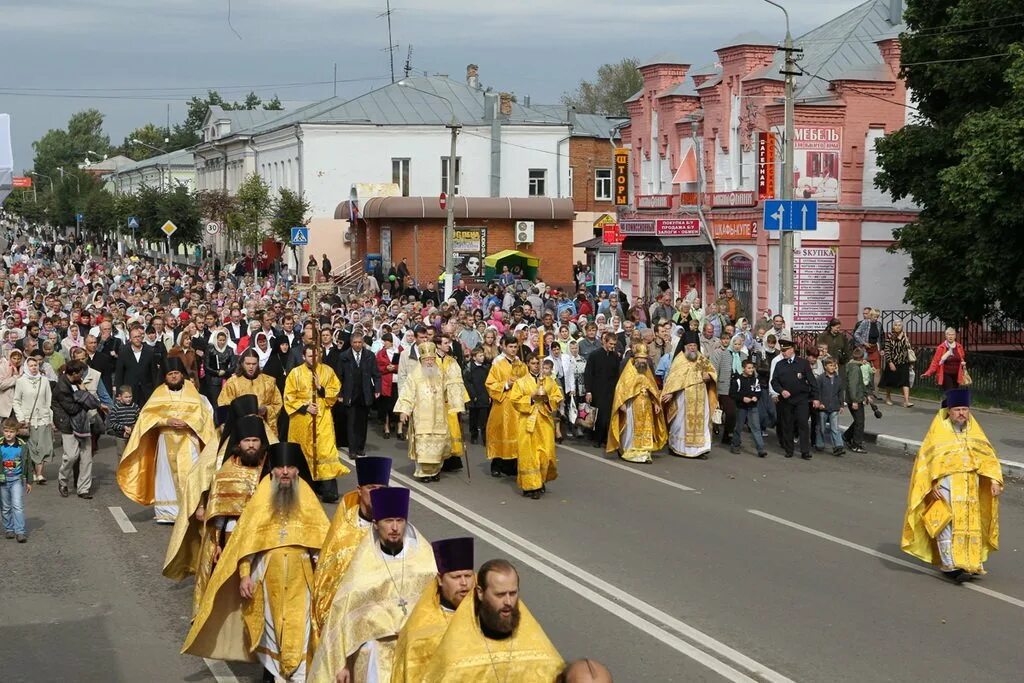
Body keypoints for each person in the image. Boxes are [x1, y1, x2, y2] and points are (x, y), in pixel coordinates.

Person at [182, 442, 329, 683]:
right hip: (266, 578)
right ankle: (274, 676)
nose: (284, 472)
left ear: (297, 471)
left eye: (289, 467)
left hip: (301, 582)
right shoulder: (262, 496)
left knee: (300, 634)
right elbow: (247, 542)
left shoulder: (308, 498)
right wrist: (244, 576)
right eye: (279, 467)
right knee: (271, 635)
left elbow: (321, 546)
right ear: (271, 471)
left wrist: (323, 579)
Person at [309, 487, 437, 683]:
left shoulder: (425, 563)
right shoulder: (363, 567)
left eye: (399, 521)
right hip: (375, 658)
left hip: (416, 653)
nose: (394, 528)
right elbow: (343, 617)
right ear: (376, 525)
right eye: (388, 521)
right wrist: (341, 663)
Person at [901, 390, 1004, 582]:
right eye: (958, 409)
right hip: (946, 487)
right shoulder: (939, 431)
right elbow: (927, 461)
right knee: (945, 523)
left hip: (970, 486)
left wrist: (994, 480)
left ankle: (970, 562)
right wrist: (931, 486)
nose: (962, 413)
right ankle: (949, 564)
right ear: (949, 411)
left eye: (965, 409)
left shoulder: (974, 430)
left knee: (970, 524)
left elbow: (988, 456)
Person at [422, 559, 563, 682]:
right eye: (500, 594)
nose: (508, 602)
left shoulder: (541, 652)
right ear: (480, 593)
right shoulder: (456, 656)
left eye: (513, 593)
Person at [116, 356, 219, 523]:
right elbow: (146, 417)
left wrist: (188, 422)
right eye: (170, 373)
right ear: (164, 376)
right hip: (166, 440)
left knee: (192, 473)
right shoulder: (159, 393)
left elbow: (205, 415)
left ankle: (191, 508)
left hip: (189, 439)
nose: (173, 376)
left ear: (182, 374)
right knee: (166, 476)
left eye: (176, 373)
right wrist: (166, 421)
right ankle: (168, 512)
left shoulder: (192, 391)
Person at [189, 415, 267, 617]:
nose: (251, 446)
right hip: (233, 534)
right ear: (239, 444)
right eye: (247, 441)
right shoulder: (226, 473)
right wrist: (216, 543)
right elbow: (218, 514)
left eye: (255, 441)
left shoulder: (269, 471)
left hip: (263, 535)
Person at [312, 456, 392, 634]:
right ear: (359, 490)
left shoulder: (395, 528)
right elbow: (329, 573)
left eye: (382, 489)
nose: (377, 493)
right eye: (371, 488)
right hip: (347, 615)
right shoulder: (345, 530)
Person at [391, 537, 476, 683]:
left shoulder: (487, 615)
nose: (464, 583)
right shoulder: (420, 628)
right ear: (440, 580)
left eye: (468, 576)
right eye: (456, 577)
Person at [284, 345, 347, 503]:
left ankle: (328, 490)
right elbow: (289, 396)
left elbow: (335, 390)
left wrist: (321, 388)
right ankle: (307, 488)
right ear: (304, 356)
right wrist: (305, 406)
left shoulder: (327, 371)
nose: (313, 358)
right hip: (302, 420)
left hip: (322, 418)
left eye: (316, 355)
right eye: (310, 356)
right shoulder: (295, 373)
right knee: (304, 453)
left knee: (325, 452)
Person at [395, 342, 466, 483]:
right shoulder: (414, 375)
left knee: (438, 445)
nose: (429, 362)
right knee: (423, 446)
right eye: (427, 359)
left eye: (432, 359)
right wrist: (404, 410)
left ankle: (435, 471)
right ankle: (423, 473)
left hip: (439, 416)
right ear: (421, 359)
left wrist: (456, 402)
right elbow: (407, 393)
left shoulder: (440, 373)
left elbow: (451, 388)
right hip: (422, 418)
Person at [510, 355, 563, 499]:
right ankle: (530, 486)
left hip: (544, 422)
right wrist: (531, 398)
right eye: (532, 363)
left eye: (537, 363)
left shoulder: (549, 382)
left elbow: (557, 397)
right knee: (529, 455)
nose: (535, 366)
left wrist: (547, 399)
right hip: (527, 422)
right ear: (527, 364)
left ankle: (540, 481)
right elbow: (514, 400)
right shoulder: (521, 382)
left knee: (545, 453)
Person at [606, 344, 667, 464]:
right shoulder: (628, 371)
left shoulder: (647, 371)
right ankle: (629, 451)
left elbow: (653, 389)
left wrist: (655, 403)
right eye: (641, 358)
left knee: (646, 429)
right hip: (631, 405)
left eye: (645, 359)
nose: (643, 361)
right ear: (635, 358)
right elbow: (621, 388)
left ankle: (644, 452)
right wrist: (621, 403)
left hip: (646, 405)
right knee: (631, 429)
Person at [661, 332, 718, 459]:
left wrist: (709, 376)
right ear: (685, 346)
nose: (692, 348)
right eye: (690, 345)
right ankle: (677, 447)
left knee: (701, 423)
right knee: (680, 423)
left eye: (694, 345)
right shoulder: (679, 359)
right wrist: (670, 392)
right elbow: (673, 379)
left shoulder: (701, 358)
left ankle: (700, 450)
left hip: (701, 398)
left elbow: (712, 371)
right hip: (683, 397)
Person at [52, 360, 102, 499]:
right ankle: (63, 480)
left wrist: (83, 391)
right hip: (68, 424)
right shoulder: (62, 388)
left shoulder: (77, 383)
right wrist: (86, 402)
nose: (83, 376)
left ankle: (83, 489)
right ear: (73, 373)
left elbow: (88, 399)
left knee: (86, 456)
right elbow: (72, 409)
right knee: (71, 456)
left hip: (83, 422)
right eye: (81, 373)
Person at [218, 348, 283, 442]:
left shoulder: (269, 382)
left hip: (264, 429)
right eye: (248, 364)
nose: (251, 367)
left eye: (254, 364)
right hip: (240, 430)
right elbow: (223, 405)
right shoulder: (232, 383)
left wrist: (266, 409)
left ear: (258, 363)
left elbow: (278, 404)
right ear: (242, 364)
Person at [484, 336, 528, 477]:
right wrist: (507, 384)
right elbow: (490, 383)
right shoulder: (498, 363)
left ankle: (512, 465)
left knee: (516, 434)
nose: (513, 350)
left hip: (516, 405)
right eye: (511, 347)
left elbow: (527, 381)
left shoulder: (520, 364)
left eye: (515, 347)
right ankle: (496, 465)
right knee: (500, 432)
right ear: (504, 347)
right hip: (502, 404)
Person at [771, 340, 820, 460]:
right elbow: (774, 381)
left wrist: (815, 398)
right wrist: (781, 391)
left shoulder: (802, 363)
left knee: (803, 423)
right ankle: (789, 449)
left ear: (792, 350)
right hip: (786, 400)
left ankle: (805, 451)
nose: (783, 353)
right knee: (788, 424)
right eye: (782, 350)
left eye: (785, 350)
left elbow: (812, 381)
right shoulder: (780, 364)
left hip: (801, 399)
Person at [337, 332, 381, 457]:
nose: (357, 345)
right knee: (351, 423)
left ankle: (360, 447)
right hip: (349, 393)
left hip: (364, 393)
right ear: (351, 343)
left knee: (362, 423)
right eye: (355, 342)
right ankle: (352, 449)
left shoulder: (370, 356)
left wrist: (377, 389)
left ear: (363, 343)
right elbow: (339, 377)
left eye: (359, 342)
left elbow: (376, 374)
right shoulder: (344, 356)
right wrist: (339, 394)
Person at [13, 354, 53, 484]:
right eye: (31, 365)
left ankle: (40, 474)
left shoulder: (44, 380)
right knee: (30, 448)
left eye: (35, 365)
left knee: (42, 446)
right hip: (27, 420)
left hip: (42, 418)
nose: (34, 367)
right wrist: (21, 418)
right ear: (26, 367)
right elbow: (16, 401)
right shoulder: (21, 381)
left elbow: (48, 400)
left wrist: (49, 418)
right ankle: (33, 472)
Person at [583, 332, 621, 448]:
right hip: (597, 390)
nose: (612, 346)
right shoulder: (594, 355)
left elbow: (617, 374)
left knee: (608, 416)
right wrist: (588, 391)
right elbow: (588, 373)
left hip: (610, 390)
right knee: (599, 416)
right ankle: (597, 439)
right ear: (604, 341)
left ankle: (605, 439)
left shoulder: (615, 357)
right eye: (610, 344)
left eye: (614, 344)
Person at [1, 417, 31, 543]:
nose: (8, 434)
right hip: (2, 481)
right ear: (3, 431)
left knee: (17, 506)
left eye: (11, 431)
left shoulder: (22, 446)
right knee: (6, 506)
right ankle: (9, 528)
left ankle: (20, 531)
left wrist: (29, 481)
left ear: (17, 432)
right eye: (6, 431)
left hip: (16, 480)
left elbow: (28, 464)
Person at [730, 359, 766, 457]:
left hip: (752, 407)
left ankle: (761, 449)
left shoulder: (756, 380)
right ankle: (735, 445)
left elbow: (758, 391)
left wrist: (756, 397)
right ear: (743, 368)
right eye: (749, 368)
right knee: (739, 426)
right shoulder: (738, 380)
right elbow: (732, 394)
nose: (751, 370)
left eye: (752, 368)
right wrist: (742, 398)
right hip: (741, 407)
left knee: (756, 428)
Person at [114, 324, 157, 406]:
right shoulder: (124, 352)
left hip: (147, 390)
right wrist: (119, 393)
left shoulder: (150, 351)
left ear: (142, 337)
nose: (137, 339)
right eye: (134, 337)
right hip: (130, 391)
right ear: (130, 339)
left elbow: (154, 372)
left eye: (139, 336)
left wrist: (155, 390)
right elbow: (119, 373)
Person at [922, 327, 967, 391]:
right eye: (949, 334)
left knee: (954, 394)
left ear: (955, 336)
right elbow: (935, 361)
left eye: (952, 335)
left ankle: (946, 401)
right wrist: (928, 373)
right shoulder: (941, 347)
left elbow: (962, 357)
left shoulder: (959, 347)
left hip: (957, 375)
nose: (950, 336)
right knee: (950, 392)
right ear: (946, 336)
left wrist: (963, 363)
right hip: (946, 374)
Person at [880, 321, 914, 407]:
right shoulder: (889, 336)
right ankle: (888, 397)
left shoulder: (905, 336)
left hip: (903, 362)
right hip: (892, 362)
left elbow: (908, 348)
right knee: (890, 381)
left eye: (899, 325)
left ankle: (906, 401)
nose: (897, 327)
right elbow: (887, 351)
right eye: (896, 325)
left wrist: (905, 338)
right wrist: (890, 362)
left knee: (905, 381)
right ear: (893, 327)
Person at [843, 348, 869, 454]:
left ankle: (847, 436)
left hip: (856, 398)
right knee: (860, 422)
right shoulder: (855, 369)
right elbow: (853, 385)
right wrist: (854, 400)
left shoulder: (853, 366)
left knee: (858, 421)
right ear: (862, 358)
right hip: (855, 399)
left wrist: (865, 395)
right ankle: (856, 444)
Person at [463, 346, 491, 445]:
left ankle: (485, 438)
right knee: (473, 418)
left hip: (483, 396)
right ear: (474, 357)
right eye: (480, 356)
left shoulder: (485, 368)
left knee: (484, 420)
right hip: (474, 397)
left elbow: (489, 382)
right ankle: (473, 435)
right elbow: (467, 383)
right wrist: (472, 394)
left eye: (483, 355)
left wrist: (489, 395)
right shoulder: (469, 368)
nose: (482, 357)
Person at [106, 384, 140, 453]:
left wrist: (132, 428)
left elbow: (139, 420)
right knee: (121, 454)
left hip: (132, 435)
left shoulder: (135, 407)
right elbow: (113, 424)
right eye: (126, 397)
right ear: (120, 397)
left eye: (130, 396)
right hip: (120, 436)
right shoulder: (115, 408)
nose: (129, 399)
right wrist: (123, 427)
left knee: (132, 454)